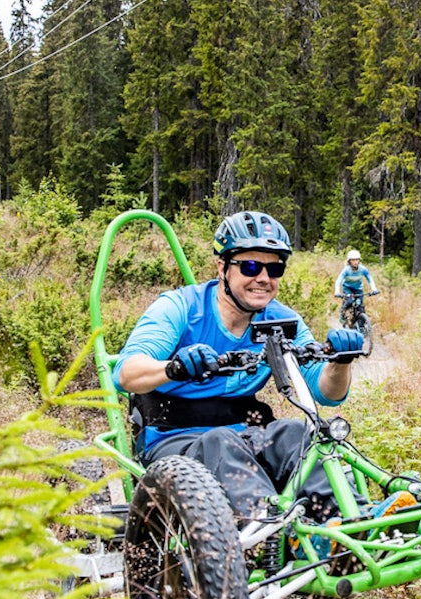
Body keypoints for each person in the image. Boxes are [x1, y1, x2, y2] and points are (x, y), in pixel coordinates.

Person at [112, 210, 364, 524]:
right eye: (250, 266)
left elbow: (325, 393)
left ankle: (354, 525)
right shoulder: (179, 308)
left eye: (274, 268)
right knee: (222, 443)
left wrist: (341, 362)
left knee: (298, 432)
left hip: (246, 435)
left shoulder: (281, 321)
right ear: (222, 267)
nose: (263, 278)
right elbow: (125, 374)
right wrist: (173, 368)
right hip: (173, 439)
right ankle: (268, 534)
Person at [334, 249, 377, 330]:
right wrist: (337, 291)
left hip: (358, 289)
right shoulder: (346, 270)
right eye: (353, 260)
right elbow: (338, 280)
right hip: (348, 288)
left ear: (359, 260)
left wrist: (373, 288)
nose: (355, 262)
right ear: (349, 261)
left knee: (361, 307)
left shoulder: (363, 269)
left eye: (357, 259)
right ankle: (343, 313)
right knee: (349, 301)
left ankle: (360, 327)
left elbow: (369, 278)